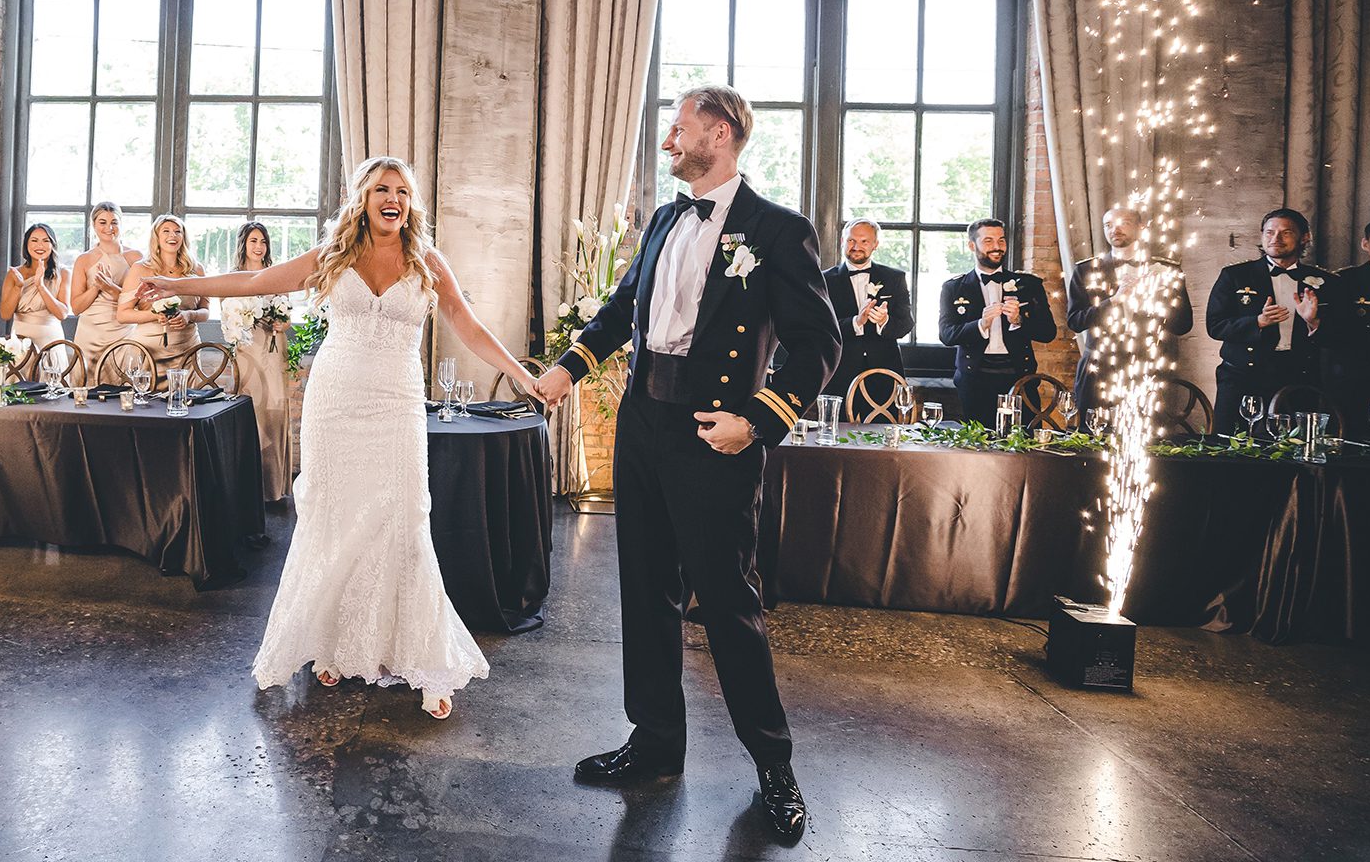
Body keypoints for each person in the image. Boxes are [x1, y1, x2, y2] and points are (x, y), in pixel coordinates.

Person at [532, 85, 840, 846]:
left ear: (721, 133)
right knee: (645, 590)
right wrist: (567, 370)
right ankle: (656, 741)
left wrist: (758, 422)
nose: (668, 139)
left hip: (715, 433)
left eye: (679, 127)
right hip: (643, 424)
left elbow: (818, 344)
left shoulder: (779, 230)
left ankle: (774, 766)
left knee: (728, 603)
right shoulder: (667, 219)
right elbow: (621, 309)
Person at [137, 157, 533, 721]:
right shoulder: (334, 255)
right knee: (333, 520)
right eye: (381, 189)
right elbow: (252, 283)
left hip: (396, 402)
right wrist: (177, 284)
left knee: (404, 519)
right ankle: (333, 643)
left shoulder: (426, 260)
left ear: (410, 203)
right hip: (336, 401)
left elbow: (467, 326)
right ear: (362, 199)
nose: (392, 199)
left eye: (402, 191)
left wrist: (523, 376)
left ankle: (423, 659)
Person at [1207, 207, 1335, 435]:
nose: (1276, 238)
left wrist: (1314, 322)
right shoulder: (1235, 275)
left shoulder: (1325, 281)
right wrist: (1257, 322)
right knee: (1230, 446)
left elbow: (1341, 336)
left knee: (1291, 448)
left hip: (1297, 376)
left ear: (1304, 237)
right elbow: (1215, 325)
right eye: (1270, 232)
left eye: (1286, 232)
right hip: (1242, 376)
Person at [1065, 206, 1193, 416]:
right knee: (1092, 432)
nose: (1114, 230)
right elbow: (1075, 321)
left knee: (1147, 433)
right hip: (1098, 369)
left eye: (1124, 223)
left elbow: (1183, 325)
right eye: (1108, 225)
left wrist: (1158, 299)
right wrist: (1113, 301)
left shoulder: (1167, 270)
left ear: (1141, 227)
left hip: (1148, 369)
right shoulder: (1086, 270)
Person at [938, 218, 1057, 422]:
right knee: (977, 440)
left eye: (1001, 240)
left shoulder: (1028, 284)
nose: (997, 247)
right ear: (972, 246)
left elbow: (1048, 333)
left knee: (1023, 439)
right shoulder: (954, 287)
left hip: (1020, 379)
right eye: (988, 241)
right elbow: (946, 335)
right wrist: (981, 324)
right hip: (974, 380)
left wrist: (1019, 320)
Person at [220, 221, 296, 504]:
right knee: (250, 408)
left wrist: (282, 324)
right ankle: (245, 486)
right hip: (247, 349)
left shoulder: (277, 275)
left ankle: (272, 486)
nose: (259, 246)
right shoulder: (233, 278)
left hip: (273, 348)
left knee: (273, 407)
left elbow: (287, 317)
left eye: (263, 241)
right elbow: (227, 317)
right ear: (244, 244)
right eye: (253, 241)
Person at [821, 217, 913, 415]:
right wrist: (856, 322)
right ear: (842, 241)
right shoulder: (824, 280)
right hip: (838, 373)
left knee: (883, 432)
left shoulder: (895, 278)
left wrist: (884, 322)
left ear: (875, 245)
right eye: (851, 240)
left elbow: (906, 324)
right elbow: (820, 327)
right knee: (837, 431)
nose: (857, 247)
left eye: (864, 241)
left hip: (884, 373)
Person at [116, 215, 207, 383]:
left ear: (183, 237)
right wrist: (154, 315)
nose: (173, 235)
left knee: (188, 398)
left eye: (178, 231)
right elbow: (122, 315)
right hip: (148, 351)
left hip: (187, 352)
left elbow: (205, 311)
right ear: (156, 237)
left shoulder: (197, 269)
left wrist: (189, 315)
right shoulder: (140, 269)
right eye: (166, 231)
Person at [69, 201, 140, 383]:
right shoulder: (83, 260)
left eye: (114, 222)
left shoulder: (135, 258)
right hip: (90, 335)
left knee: (125, 388)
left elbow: (142, 303)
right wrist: (96, 287)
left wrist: (111, 287)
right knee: (86, 388)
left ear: (121, 224)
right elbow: (76, 308)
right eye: (102, 222)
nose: (109, 228)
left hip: (124, 333)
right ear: (93, 225)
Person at [1327, 217, 1370, 437]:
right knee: (1352, 443)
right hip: (1355, 382)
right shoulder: (1345, 281)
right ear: (1365, 244)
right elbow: (1334, 333)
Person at [0, 223, 71, 353]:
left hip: (50, 339)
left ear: (52, 245)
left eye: (46, 241)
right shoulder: (14, 274)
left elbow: (62, 314)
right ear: (26, 244)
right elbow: (5, 314)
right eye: (34, 240)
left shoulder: (63, 273)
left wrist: (41, 286)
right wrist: (18, 287)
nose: (40, 245)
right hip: (20, 339)